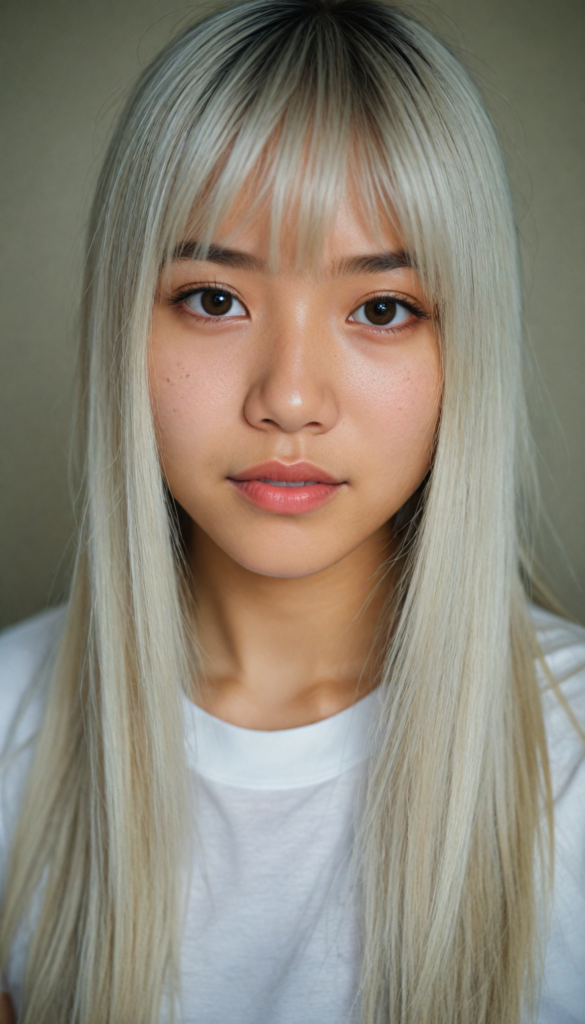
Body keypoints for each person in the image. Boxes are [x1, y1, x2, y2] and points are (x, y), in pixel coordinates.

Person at [0, 1, 583, 1021]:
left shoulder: (572, 761)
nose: (291, 398)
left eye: (382, 309)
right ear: (121, 320)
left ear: (468, 347)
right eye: (214, 299)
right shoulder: (12, 722)